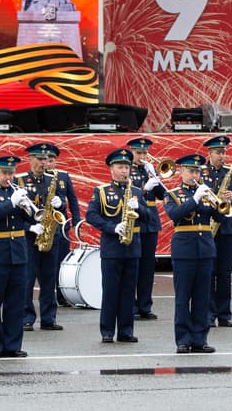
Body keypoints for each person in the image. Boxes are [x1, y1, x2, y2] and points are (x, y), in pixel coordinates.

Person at [86, 148, 149, 344]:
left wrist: (140, 208)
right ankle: (107, 331)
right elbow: (92, 215)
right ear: (112, 169)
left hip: (132, 248)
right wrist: (113, 227)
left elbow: (150, 218)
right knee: (111, 290)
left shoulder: (137, 191)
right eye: (120, 167)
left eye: (126, 167)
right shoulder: (102, 191)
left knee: (129, 291)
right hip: (112, 248)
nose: (124, 171)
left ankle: (126, 331)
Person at [163, 153, 220, 354]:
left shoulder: (206, 192)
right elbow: (175, 215)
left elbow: (219, 214)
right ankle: (183, 340)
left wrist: (224, 206)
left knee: (202, 297)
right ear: (181, 171)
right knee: (182, 297)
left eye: (197, 171)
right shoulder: (172, 194)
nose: (194, 175)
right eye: (190, 171)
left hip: (205, 249)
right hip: (184, 250)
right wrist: (195, 198)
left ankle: (200, 339)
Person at [0, 154, 31, 358]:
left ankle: (13, 344)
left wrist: (27, 204)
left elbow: (31, 216)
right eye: (4, 172)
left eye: (11, 172)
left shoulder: (17, 190)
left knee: (16, 301)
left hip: (18, 251)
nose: (8, 176)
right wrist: (10, 203)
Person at [18, 143, 66, 332]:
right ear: (30, 159)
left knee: (49, 278)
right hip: (29, 236)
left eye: (45, 159)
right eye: (39, 159)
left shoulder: (52, 179)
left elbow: (61, 209)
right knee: (27, 279)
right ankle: (26, 317)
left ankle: (48, 318)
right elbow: (14, 214)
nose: (42, 163)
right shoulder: (20, 181)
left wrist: (60, 203)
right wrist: (30, 227)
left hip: (49, 234)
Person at [200, 135, 232, 328]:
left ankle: (224, 314)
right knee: (209, 272)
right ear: (209, 154)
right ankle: (208, 313)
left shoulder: (231, 173)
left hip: (226, 229)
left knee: (224, 273)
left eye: (224, 152)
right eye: (218, 152)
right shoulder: (201, 173)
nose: (222, 156)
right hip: (208, 227)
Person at [127, 137, 166, 321]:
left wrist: (155, 177)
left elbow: (162, 194)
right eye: (138, 152)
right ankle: (132, 305)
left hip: (150, 220)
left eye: (144, 153)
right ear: (132, 152)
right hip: (134, 220)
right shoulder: (126, 170)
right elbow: (128, 195)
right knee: (134, 265)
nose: (142, 156)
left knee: (148, 267)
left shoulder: (149, 169)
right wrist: (144, 188)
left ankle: (145, 305)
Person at [43, 148, 81, 308]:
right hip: (44, 225)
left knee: (61, 261)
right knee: (46, 264)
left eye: (51, 161)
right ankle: (47, 297)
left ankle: (62, 295)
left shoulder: (63, 177)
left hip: (61, 225)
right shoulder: (37, 179)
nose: (49, 164)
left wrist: (76, 222)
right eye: (46, 161)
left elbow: (73, 199)